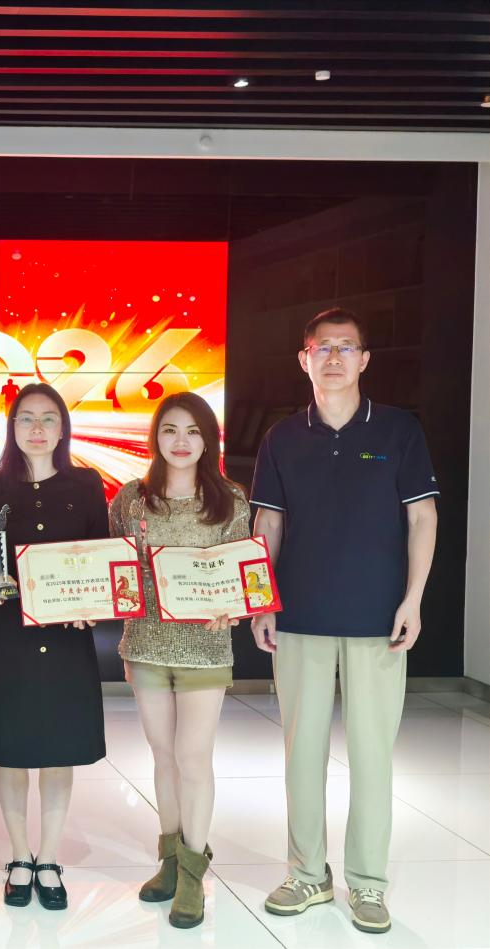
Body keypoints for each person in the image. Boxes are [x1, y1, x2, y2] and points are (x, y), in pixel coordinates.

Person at [250, 308, 438, 935]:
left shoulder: (399, 430)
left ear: (364, 359)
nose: (334, 357)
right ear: (304, 360)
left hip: (378, 618)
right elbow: (268, 523)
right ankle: (307, 874)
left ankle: (368, 883)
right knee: (301, 753)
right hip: (299, 616)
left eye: (346, 347)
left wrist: (413, 599)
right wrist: (263, 600)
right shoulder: (282, 438)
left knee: (372, 756)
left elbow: (423, 517)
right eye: (322, 347)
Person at [108, 392, 250, 928]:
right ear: (156, 437)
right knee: (163, 755)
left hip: (205, 647)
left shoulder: (230, 500)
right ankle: (168, 861)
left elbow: (244, 573)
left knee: (194, 756)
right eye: (170, 430)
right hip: (145, 642)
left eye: (193, 431)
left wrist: (233, 605)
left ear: (208, 440)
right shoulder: (131, 499)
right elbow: (116, 564)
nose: (181, 441)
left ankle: (193, 873)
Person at [0, 383, 108, 913]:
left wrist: (95, 599)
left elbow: (99, 554)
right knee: (11, 747)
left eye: (49, 418)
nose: (37, 428)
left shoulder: (86, 485)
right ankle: (19, 856)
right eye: (26, 418)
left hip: (67, 635)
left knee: (59, 747)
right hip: (8, 635)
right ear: (12, 427)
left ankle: (48, 857)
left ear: (63, 428)